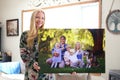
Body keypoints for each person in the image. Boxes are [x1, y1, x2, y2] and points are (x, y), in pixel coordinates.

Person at [20, 9, 45, 80]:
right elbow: (23, 54)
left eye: (42, 18)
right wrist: (33, 63)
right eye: (37, 17)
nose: (40, 20)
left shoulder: (47, 35)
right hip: (31, 73)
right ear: (33, 18)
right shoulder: (25, 35)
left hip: (46, 73)